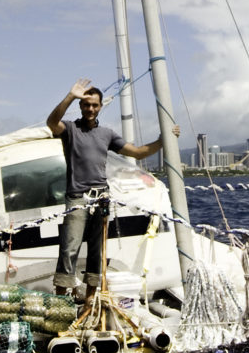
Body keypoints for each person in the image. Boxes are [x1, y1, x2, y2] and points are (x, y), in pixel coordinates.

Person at [45, 78, 178, 300]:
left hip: (102, 198)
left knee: (98, 251)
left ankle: (89, 301)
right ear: (80, 106)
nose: (90, 109)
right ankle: (60, 301)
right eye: (86, 105)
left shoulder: (107, 134)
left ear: (100, 107)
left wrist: (163, 140)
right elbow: (51, 122)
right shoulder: (70, 129)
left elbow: (137, 152)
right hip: (77, 198)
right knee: (69, 249)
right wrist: (70, 96)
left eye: (95, 105)